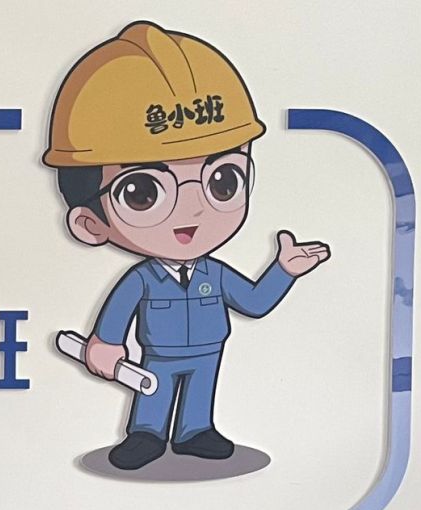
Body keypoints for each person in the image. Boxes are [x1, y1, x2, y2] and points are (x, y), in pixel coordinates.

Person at [45, 21, 330, 471]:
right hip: (158, 355)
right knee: (154, 394)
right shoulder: (142, 278)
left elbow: (254, 303)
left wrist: (284, 271)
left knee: (200, 392)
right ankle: (146, 434)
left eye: (223, 180)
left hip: (209, 348)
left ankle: (195, 430)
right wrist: (105, 343)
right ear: (90, 222)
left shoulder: (214, 273)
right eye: (143, 192)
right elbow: (118, 313)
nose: (194, 207)